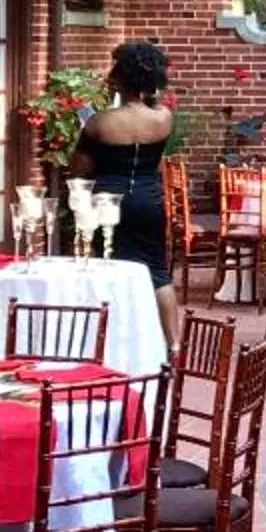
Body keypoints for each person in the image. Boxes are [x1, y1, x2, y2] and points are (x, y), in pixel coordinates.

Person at [71, 38, 181, 350]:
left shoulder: (100, 122)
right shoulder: (163, 118)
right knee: (157, 272)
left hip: (109, 203)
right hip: (149, 200)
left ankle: (107, 342)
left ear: (120, 77)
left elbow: (78, 169)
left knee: (105, 266)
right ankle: (174, 345)